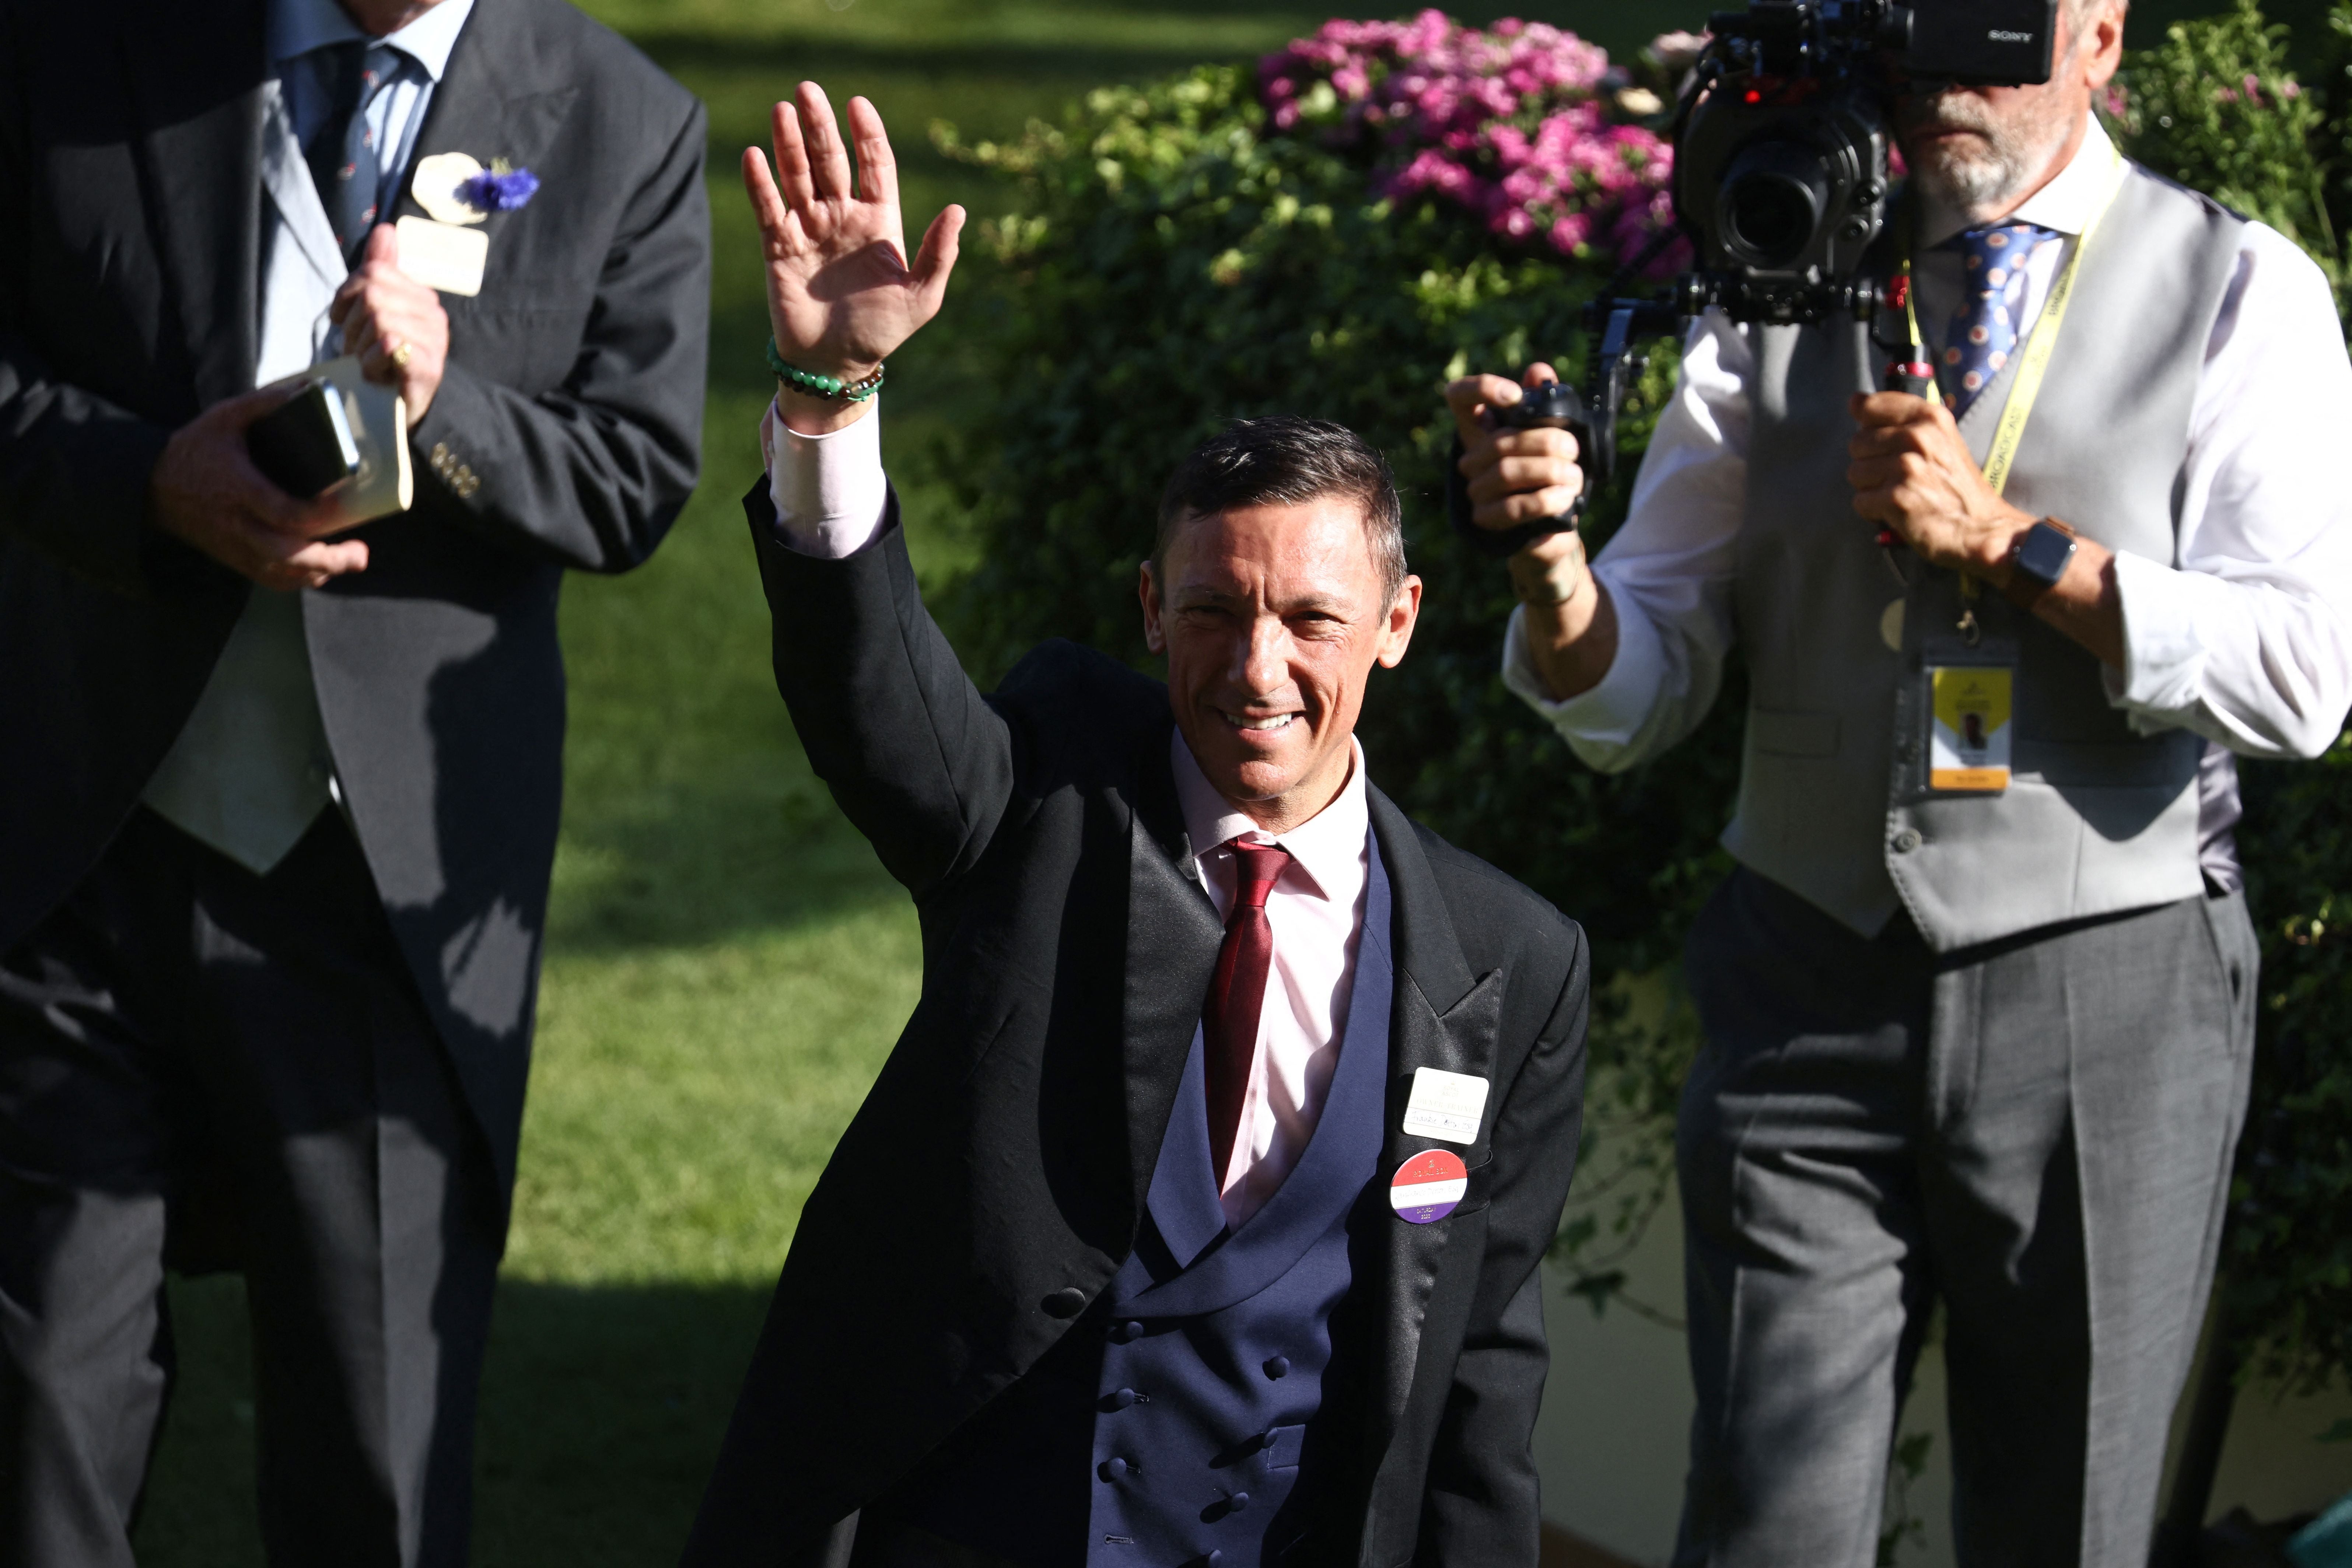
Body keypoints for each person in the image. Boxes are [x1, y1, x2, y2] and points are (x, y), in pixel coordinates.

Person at [1451, 0, 2352, 1563]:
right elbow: (1641, 682)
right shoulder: (1783, 271)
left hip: (2111, 992)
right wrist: (1548, 569)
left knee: (2060, 1524)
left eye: (1999, 22)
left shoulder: (2236, 288)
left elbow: (2302, 675)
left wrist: (2015, 548)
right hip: (1803, 979)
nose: (1947, 71)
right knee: (1761, 1523)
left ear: (2103, 39)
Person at [679, 83, 1591, 1568]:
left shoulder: (1512, 961)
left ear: (1401, 623)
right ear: (1150, 608)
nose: (1259, 667)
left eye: (1312, 618)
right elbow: (874, 700)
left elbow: (1478, 1368)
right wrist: (830, 396)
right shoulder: (1039, 802)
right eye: (1217, 611)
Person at [0, 0, 708, 1558]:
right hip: (80, 847)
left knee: (374, 1473)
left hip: (384, 894)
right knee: (32, 1423)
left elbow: (635, 476)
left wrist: (449, 399)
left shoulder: (617, 119)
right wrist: (144, 483)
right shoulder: (71, 45)